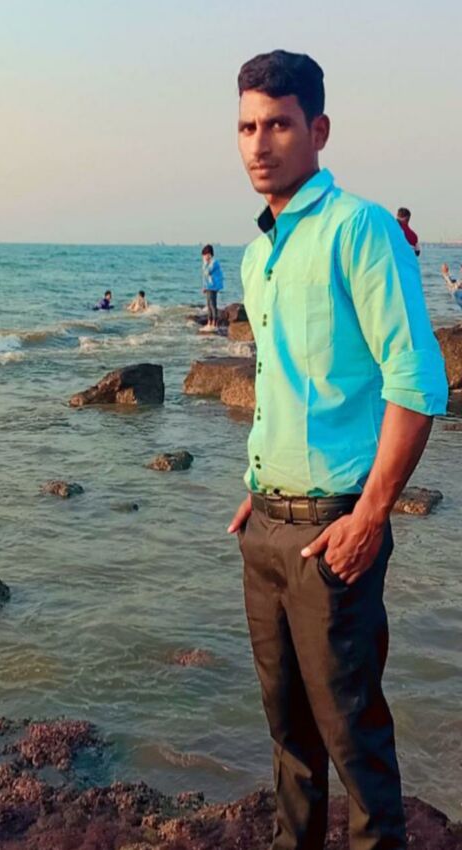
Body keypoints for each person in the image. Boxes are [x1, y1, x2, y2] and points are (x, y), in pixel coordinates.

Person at [227, 50, 448, 850]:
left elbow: (417, 381)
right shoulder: (258, 255)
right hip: (264, 527)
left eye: (279, 124)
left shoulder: (361, 229)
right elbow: (285, 380)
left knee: (353, 737)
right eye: (247, 127)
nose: (260, 143)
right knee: (288, 736)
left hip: (335, 533)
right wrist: (261, 477)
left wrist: (371, 515)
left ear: (317, 130)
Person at [201, 244, 224, 331]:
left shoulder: (214, 263)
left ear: (210, 254)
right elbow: (204, 276)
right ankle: (209, 322)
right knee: (208, 305)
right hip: (208, 286)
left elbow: (208, 272)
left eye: (206, 255)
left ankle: (214, 323)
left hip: (213, 287)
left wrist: (206, 263)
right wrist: (204, 287)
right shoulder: (207, 263)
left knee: (212, 305)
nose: (204, 257)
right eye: (204, 255)